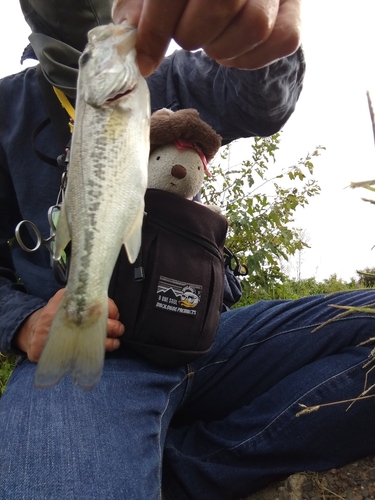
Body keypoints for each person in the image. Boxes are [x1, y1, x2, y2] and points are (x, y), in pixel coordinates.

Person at [0, 1, 374, 499]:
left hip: (207, 338)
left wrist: (250, 29)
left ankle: (167, 465)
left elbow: (258, 100)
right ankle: (124, 454)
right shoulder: (7, 110)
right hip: (89, 355)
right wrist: (22, 323)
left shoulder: (161, 78)